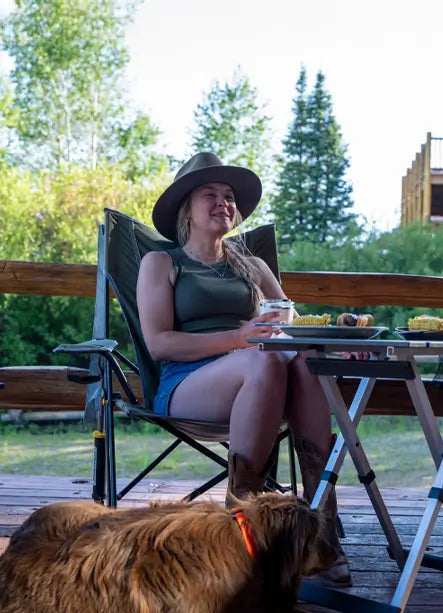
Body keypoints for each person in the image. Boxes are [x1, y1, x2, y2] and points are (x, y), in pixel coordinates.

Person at [138, 152, 351, 586]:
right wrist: (241, 339)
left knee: (307, 364)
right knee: (264, 358)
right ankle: (245, 527)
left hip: (261, 371)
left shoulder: (251, 266)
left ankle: (323, 525)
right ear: (187, 210)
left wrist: (334, 342)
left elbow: (289, 321)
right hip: (189, 382)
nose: (223, 203)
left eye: (229, 196)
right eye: (210, 195)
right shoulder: (162, 264)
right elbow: (159, 343)